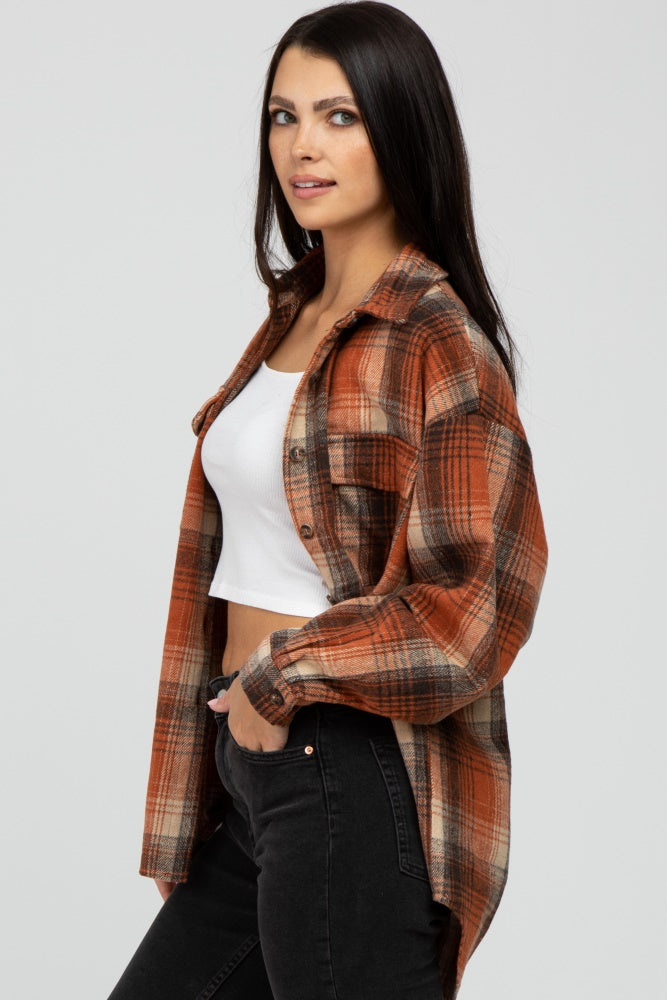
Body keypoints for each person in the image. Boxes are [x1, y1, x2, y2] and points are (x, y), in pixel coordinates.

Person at [108, 3, 548, 998]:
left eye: (339, 116)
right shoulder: (292, 314)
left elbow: (472, 607)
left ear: (402, 129)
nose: (301, 145)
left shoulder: (435, 341)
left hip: (346, 758)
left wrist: (280, 677)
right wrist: (220, 756)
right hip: (253, 764)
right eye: (283, 115)